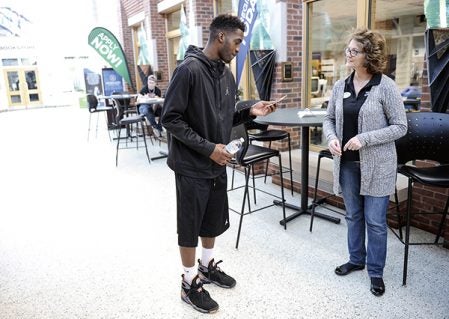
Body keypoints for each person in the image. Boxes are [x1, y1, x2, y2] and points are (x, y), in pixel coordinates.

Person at [161, 14, 279, 313]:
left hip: (217, 162)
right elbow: (170, 119)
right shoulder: (187, 70)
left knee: (212, 219)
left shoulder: (225, 74)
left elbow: (226, 117)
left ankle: (206, 266)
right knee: (190, 225)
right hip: (191, 165)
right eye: (238, 41)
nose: (240, 48)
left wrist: (250, 111)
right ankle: (189, 282)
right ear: (221, 37)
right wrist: (208, 148)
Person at [323, 28, 407, 297]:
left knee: (375, 221)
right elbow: (327, 119)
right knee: (353, 215)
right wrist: (331, 137)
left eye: (354, 51)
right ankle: (356, 259)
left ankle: (375, 272)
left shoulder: (386, 86)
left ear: (368, 55)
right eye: (347, 49)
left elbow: (400, 127)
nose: (348, 54)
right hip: (346, 164)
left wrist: (365, 139)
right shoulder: (340, 86)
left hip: (378, 166)